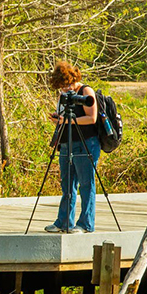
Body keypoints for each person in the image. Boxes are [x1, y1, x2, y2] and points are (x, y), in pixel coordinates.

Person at [45, 60, 100, 234]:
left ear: (72, 79)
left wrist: (65, 120)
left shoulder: (85, 92)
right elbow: (64, 116)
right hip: (67, 142)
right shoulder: (64, 95)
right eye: (61, 87)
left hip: (87, 143)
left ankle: (85, 224)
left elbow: (92, 118)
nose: (64, 90)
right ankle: (64, 222)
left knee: (86, 184)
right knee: (67, 184)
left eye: (65, 85)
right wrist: (58, 118)